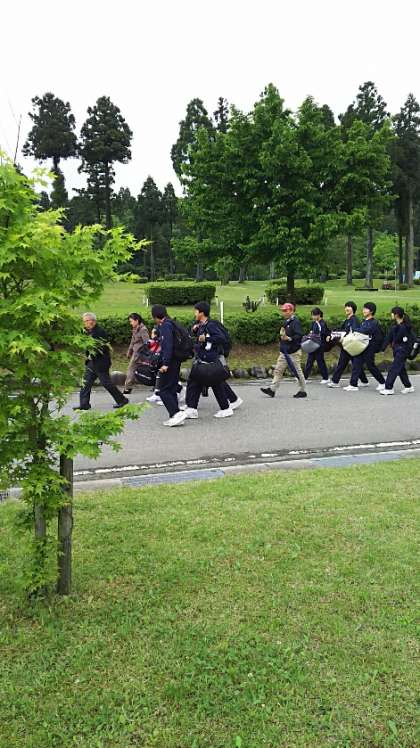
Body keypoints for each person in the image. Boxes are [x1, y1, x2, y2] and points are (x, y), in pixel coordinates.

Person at [183, 302, 241, 419]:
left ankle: (226, 408)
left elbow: (221, 338)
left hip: (210, 359)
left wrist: (206, 338)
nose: (194, 313)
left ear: (202, 313)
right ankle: (192, 408)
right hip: (203, 358)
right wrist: (195, 331)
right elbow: (200, 339)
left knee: (215, 383)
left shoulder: (211, 325)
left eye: (196, 311)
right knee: (195, 381)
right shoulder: (201, 325)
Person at [74, 313, 128, 411]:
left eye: (87, 321)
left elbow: (102, 348)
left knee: (106, 383)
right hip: (91, 362)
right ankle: (84, 404)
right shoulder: (86, 332)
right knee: (85, 382)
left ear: (93, 321)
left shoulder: (100, 332)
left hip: (101, 362)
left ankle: (122, 400)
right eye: (84, 321)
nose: (85, 323)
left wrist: (91, 354)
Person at [261, 303, 307, 399]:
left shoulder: (295, 322)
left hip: (294, 352)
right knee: (278, 370)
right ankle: (272, 389)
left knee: (297, 372)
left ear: (292, 311)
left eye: (286, 310)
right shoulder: (286, 321)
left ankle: (303, 390)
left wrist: (289, 338)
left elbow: (299, 335)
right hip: (284, 351)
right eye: (283, 311)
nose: (284, 312)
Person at [151, 304, 187, 426]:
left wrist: (165, 363)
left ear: (155, 316)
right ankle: (175, 415)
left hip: (170, 362)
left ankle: (176, 413)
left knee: (163, 390)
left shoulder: (165, 326)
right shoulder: (171, 323)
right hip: (176, 359)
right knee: (171, 388)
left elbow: (168, 346)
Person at [344, 302, 385, 392]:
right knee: (356, 363)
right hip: (362, 346)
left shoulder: (374, 322)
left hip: (370, 347)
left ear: (371, 311)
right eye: (363, 308)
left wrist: (355, 330)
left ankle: (382, 382)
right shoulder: (364, 321)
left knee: (370, 365)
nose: (364, 310)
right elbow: (361, 330)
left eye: (366, 309)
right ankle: (353, 384)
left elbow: (365, 330)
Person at [327, 302, 369, 388]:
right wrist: (332, 334)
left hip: (352, 345)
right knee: (351, 364)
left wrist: (344, 336)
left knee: (347, 364)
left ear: (353, 309)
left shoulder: (354, 320)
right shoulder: (347, 320)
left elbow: (354, 332)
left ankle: (335, 381)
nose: (346, 308)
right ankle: (364, 381)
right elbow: (341, 330)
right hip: (347, 345)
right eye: (346, 306)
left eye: (349, 307)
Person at [380, 306, 415, 395]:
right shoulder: (395, 325)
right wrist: (382, 348)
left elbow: (410, 339)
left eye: (392, 313)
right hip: (397, 350)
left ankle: (389, 388)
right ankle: (408, 386)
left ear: (396, 315)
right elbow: (389, 337)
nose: (391, 314)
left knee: (394, 368)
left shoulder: (405, 327)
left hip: (403, 350)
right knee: (401, 369)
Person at [123, 313, 150, 394]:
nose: (130, 323)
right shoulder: (135, 329)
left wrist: (143, 353)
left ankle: (127, 388)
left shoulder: (143, 330)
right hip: (135, 353)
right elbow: (132, 341)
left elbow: (147, 342)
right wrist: (129, 351)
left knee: (131, 369)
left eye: (131, 321)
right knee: (139, 369)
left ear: (137, 321)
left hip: (139, 354)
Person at [303, 307, 330, 383]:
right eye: (312, 315)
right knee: (309, 361)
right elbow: (312, 331)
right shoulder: (314, 323)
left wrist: (328, 336)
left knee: (320, 361)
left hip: (320, 345)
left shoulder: (322, 323)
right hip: (313, 344)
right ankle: (304, 378)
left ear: (318, 315)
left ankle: (326, 378)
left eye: (314, 315)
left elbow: (326, 332)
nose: (312, 317)